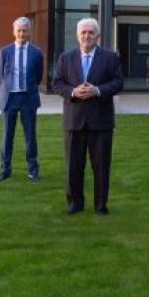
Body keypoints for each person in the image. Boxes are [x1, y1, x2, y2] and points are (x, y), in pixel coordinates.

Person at [51, 18, 123, 215]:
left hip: (101, 122)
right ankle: (75, 203)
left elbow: (118, 83)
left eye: (91, 32)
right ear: (77, 36)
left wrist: (98, 90)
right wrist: (73, 92)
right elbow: (56, 83)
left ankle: (101, 205)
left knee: (101, 167)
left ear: (97, 36)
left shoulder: (110, 57)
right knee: (73, 166)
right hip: (74, 121)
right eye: (83, 32)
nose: (87, 36)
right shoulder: (66, 58)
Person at [0, 17, 44, 182]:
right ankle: (5, 170)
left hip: (28, 98)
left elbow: (38, 76)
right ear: (14, 32)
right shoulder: (5, 51)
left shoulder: (37, 52)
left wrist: (28, 90)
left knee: (30, 136)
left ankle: (32, 170)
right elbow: (1, 76)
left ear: (29, 32)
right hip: (10, 98)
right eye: (19, 30)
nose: (22, 33)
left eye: (25, 30)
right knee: (7, 136)